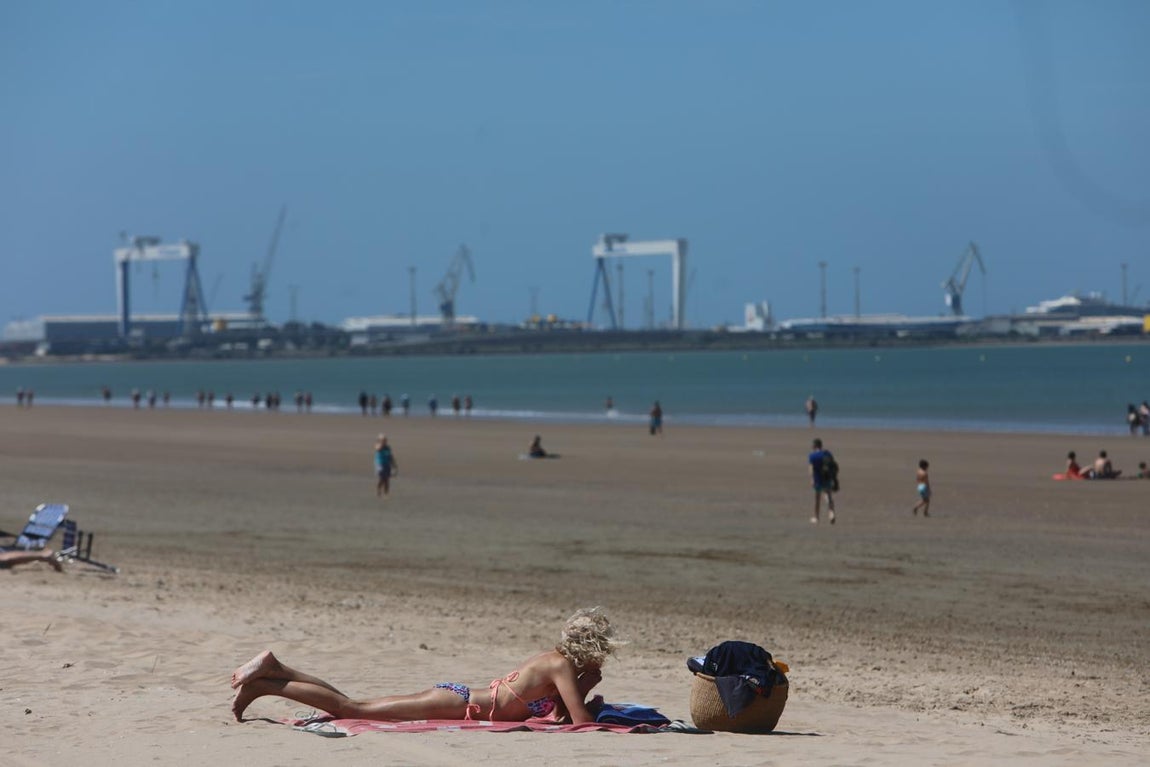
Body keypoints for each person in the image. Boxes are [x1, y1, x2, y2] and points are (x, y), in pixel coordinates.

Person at [229, 607, 617, 724]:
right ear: (590, 648)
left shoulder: (556, 663)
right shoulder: (563, 667)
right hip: (456, 704)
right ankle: (266, 686)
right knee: (352, 709)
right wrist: (586, 687)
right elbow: (580, 724)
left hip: (458, 698)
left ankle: (277, 668)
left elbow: (561, 717)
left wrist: (583, 687)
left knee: (351, 702)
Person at [808, 437, 837, 524]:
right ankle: (831, 513)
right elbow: (833, 465)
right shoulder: (827, 454)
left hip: (818, 479)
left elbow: (811, 469)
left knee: (817, 499)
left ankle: (816, 517)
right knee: (828, 496)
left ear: (815, 446)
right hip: (827, 478)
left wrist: (812, 479)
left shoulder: (812, 456)